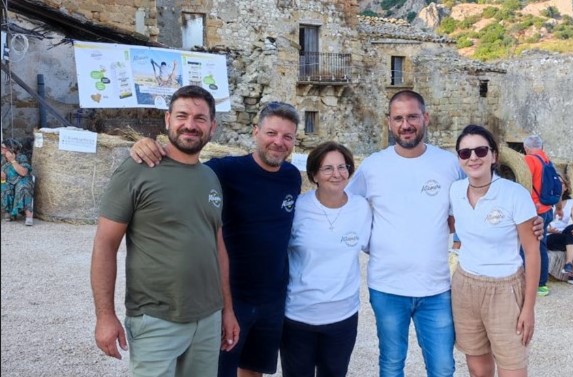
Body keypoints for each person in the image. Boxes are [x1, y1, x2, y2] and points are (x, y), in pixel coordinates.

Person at [347, 90, 544, 377]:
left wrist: (529, 221)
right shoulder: (372, 167)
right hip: (387, 286)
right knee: (391, 364)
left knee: (442, 368)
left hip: (436, 288)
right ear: (389, 122)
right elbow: (348, 206)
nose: (406, 124)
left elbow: (485, 187)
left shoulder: (449, 164)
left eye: (412, 116)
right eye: (399, 118)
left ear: (425, 118)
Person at [129, 101, 302, 377]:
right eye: (271, 133)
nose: (278, 142)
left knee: (253, 369)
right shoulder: (226, 171)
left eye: (287, 136)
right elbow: (183, 165)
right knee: (220, 370)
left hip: (273, 298)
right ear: (256, 132)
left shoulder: (292, 177)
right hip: (230, 297)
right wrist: (146, 146)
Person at [90, 85, 239, 376]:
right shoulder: (137, 169)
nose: (190, 125)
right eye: (182, 115)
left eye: (200, 118)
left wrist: (227, 310)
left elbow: (217, 247)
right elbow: (105, 244)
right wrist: (104, 316)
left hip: (208, 319)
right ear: (168, 119)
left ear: (212, 126)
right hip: (155, 319)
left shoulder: (210, 177)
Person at [449, 124, 540, 377]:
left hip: (505, 289)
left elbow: (532, 253)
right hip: (465, 286)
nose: (473, 157)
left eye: (480, 150)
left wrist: (528, 308)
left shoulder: (514, 195)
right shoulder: (455, 191)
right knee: (478, 370)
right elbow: (450, 225)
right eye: (465, 153)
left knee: (512, 370)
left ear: (494, 155)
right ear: (459, 159)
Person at [281, 141, 372, 377]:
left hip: (342, 317)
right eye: (328, 168)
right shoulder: (298, 208)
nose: (337, 174)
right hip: (299, 316)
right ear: (314, 175)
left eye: (343, 167)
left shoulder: (361, 208)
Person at [523, 135, 555, 297]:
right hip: (548, 208)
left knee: (530, 246)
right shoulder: (546, 159)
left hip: (535, 208)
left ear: (526, 147)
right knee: (541, 243)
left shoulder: (529, 160)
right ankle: (540, 281)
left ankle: (538, 283)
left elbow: (524, 184)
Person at [546, 174, 573, 286]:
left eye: (561, 183)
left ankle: (568, 264)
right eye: (556, 183)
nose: (558, 186)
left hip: (562, 236)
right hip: (548, 235)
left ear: (566, 187)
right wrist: (548, 230)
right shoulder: (545, 199)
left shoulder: (570, 203)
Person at [1, 138, 35, 226]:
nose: (1, 149)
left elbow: (23, 172)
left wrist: (12, 160)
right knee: (3, 185)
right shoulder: (2, 159)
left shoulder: (21, 157)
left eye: (3, 147)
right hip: (7, 181)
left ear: (10, 148)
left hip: (22, 179)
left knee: (23, 186)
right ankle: (9, 212)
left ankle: (28, 215)